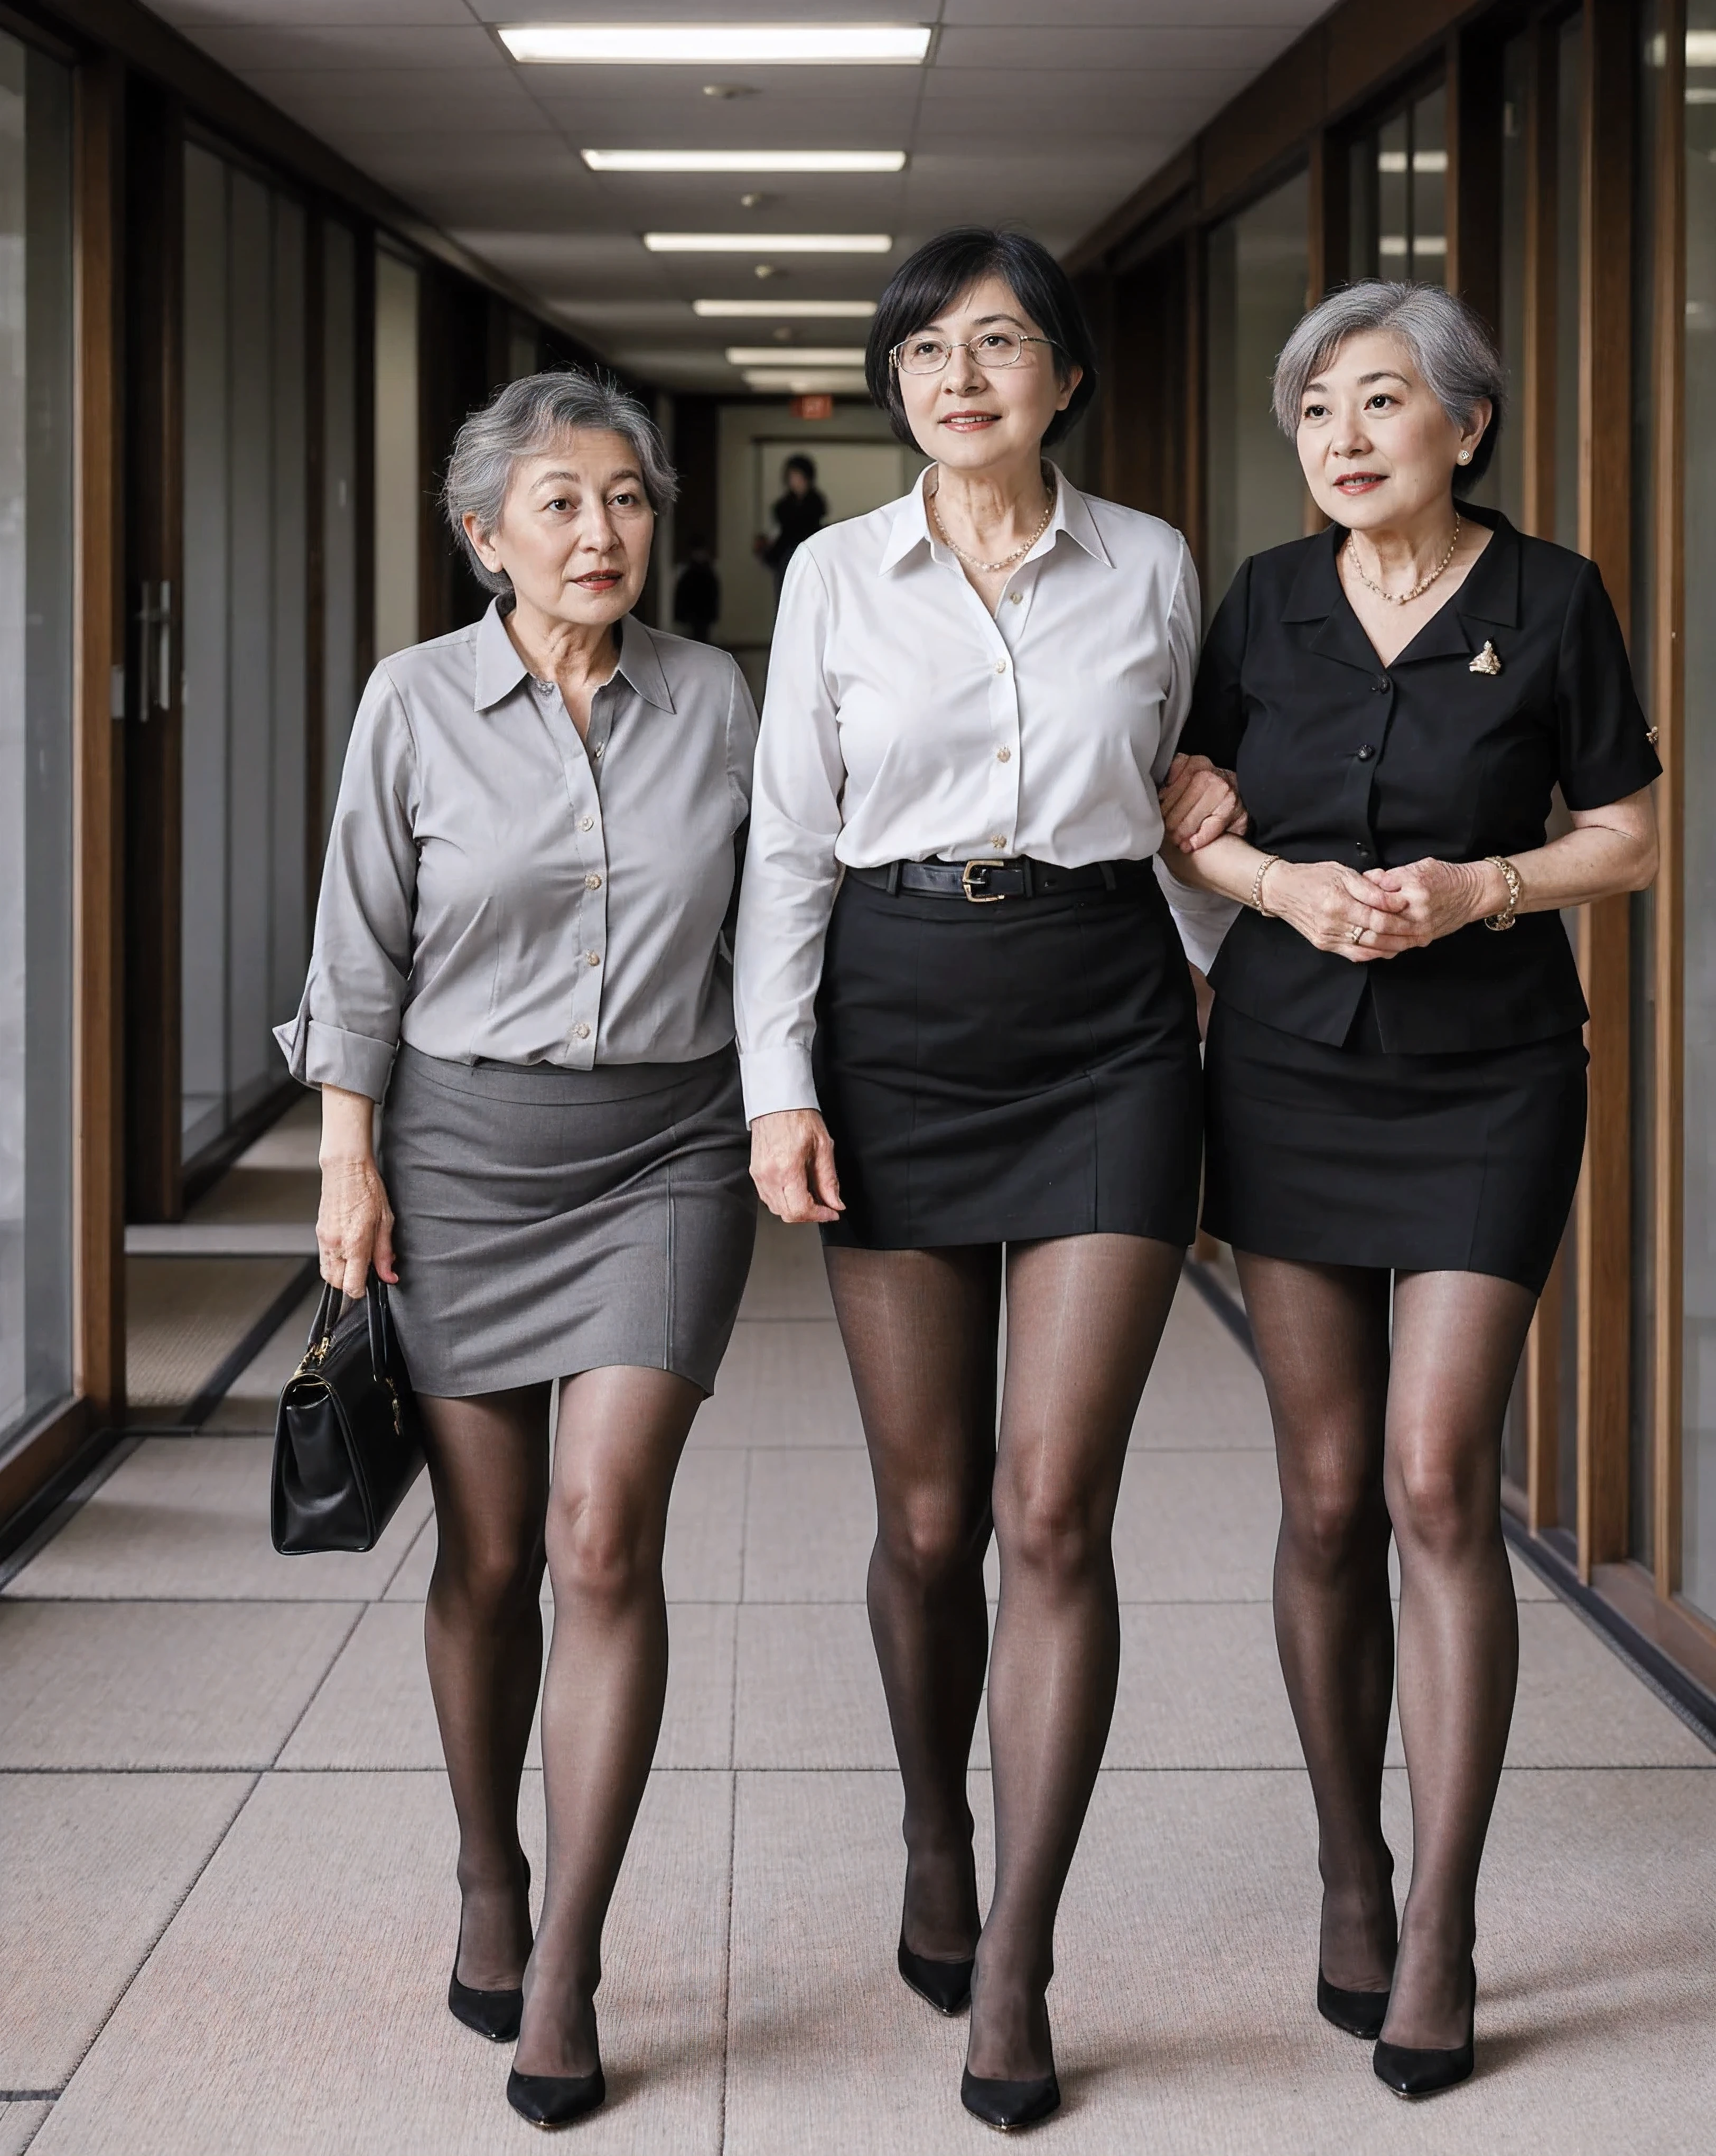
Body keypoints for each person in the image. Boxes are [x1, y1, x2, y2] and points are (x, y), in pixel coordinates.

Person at [734, 226, 1241, 2132]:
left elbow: (1184, 810)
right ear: (892, 385)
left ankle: (1016, 1952)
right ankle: (932, 1819)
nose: (962, 376)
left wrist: (1224, 961)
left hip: (1107, 1016)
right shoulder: (833, 579)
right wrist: (778, 1080)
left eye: (1001, 343)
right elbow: (790, 847)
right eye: (928, 349)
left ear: (1064, 375)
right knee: (931, 1516)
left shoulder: (1155, 566)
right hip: (896, 1019)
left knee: (1052, 1510)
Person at [1164, 282, 1659, 2099]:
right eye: (1312, 411)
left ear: (1465, 421)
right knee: (1317, 1494)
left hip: (1488, 1081)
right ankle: (1347, 1868)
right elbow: (1186, 802)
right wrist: (1275, 886)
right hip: (1284, 1071)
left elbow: (1628, 831)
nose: (1340, 436)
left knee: (1431, 1475)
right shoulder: (1261, 604)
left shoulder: (1549, 600)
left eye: (1377, 401)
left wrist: (1478, 890)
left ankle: (1441, 1916)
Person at [276, 370, 759, 2131]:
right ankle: (488, 1864)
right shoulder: (411, 704)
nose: (598, 532)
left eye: (625, 498)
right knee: (486, 1557)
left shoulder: (718, 699)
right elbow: (360, 949)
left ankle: (565, 1958)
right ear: (484, 538)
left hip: (669, 1149)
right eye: (555, 503)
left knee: (598, 1539)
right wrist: (348, 1159)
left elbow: (784, 924)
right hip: (464, 1154)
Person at [756, 452, 827, 600]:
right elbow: (777, 536)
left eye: (798, 476)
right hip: (786, 562)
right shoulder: (782, 508)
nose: (795, 481)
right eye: (792, 477)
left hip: (811, 561)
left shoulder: (816, 506)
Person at [674, 536, 721, 643]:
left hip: (702, 614)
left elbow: (714, 594)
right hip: (694, 614)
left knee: (701, 639)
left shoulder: (704, 571)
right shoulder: (690, 571)